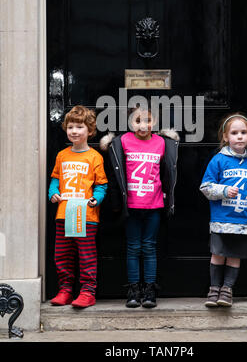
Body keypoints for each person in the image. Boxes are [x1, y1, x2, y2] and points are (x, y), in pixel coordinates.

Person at [100, 104, 179, 308]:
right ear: (130, 123)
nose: (143, 126)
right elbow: (115, 176)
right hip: (131, 206)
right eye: (137, 121)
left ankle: (150, 289)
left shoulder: (162, 143)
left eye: (148, 121)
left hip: (153, 204)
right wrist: (117, 203)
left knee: (149, 247)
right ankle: (134, 289)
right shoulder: (123, 141)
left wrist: (168, 199)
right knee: (133, 247)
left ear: (155, 122)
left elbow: (168, 173)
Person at [48, 105, 108, 308]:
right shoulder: (62, 155)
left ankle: (87, 292)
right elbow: (55, 180)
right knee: (62, 254)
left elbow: (101, 185)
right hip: (64, 213)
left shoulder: (95, 157)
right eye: (71, 126)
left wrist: (96, 200)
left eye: (79, 127)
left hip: (85, 214)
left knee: (86, 255)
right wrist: (52, 193)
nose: (74, 131)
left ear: (90, 131)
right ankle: (65, 290)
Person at [200, 113, 247, 307]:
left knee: (234, 256)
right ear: (226, 137)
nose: (240, 136)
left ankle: (227, 290)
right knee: (218, 254)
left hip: (242, 220)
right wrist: (224, 190)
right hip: (221, 218)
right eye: (234, 133)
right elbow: (205, 187)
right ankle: (214, 289)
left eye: (243, 132)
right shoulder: (219, 160)